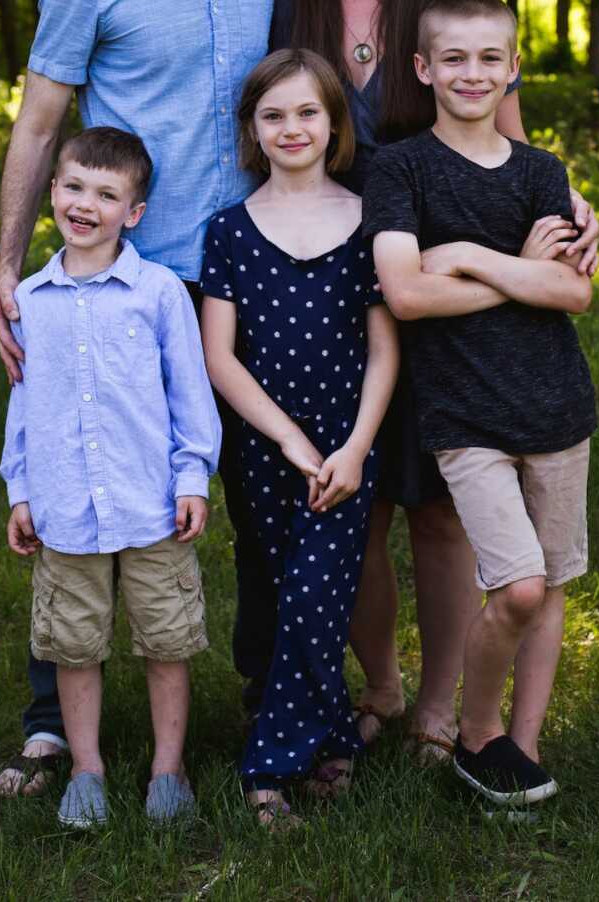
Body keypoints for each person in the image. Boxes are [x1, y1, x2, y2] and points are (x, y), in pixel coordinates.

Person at [270, 0, 599, 760]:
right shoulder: (293, 9)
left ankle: (441, 705)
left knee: (445, 508)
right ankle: (377, 684)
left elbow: (517, 141)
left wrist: (573, 212)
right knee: (361, 497)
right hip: (338, 275)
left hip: (457, 286)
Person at [0, 0, 283, 796]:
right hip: (124, 279)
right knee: (77, 470)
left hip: (251, 274)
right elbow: (38, 124)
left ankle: (269, 705)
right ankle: (48, 722)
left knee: (248, 489)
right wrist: (7, 269)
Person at [364, 0, 596, 805]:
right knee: (519, 585)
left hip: (558, 409)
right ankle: (476, 731)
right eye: (453, 59)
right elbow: (407, 295)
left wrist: (462, 253)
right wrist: (517, 269)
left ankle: (517, 752)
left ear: (513, 69)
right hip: (463, 415)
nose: (472, 73)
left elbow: (573, 296)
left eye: (490, 58)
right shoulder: (398, 169)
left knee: (552, 586)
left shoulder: (541, 171)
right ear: (423, 68)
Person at [0, 127, 221, 826]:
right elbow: (24, 405)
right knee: (73, 644)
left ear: (135, 212)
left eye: (106, 193)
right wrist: (22, 491)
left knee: (167, 640)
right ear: (53, 194)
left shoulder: (157, 293)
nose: (84, 204)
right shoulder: (30, 300)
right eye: (72, 187)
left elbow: (191, 392)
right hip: (67, 508)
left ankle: (168, 769)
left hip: (150, 503)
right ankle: (87, 769)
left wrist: (192, 477)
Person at [200, 50, 399, 828]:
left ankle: (269, 765)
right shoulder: (230, 232)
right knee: (288, 594)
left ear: (334, 123)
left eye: (307, 112)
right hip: (266, 447)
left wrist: (353, 447)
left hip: (349, 447)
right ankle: (334, 734)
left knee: (322, 590)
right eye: (273, 114)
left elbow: (386, 349)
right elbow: (220, 354)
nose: (292, 128)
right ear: (252, 128)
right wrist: (286, 439)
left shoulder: (367, 221)